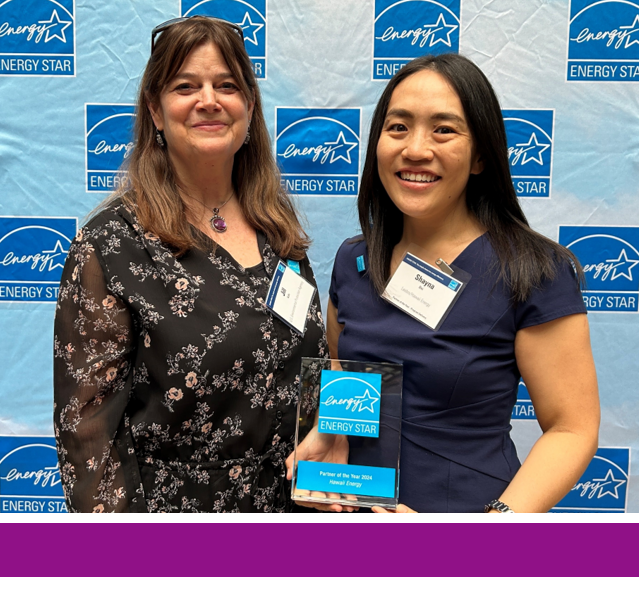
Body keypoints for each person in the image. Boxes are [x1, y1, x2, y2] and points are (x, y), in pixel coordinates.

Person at [294, 53, 599, 514]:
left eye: (443, 129)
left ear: (480, 156)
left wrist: (481, 536)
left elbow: (572, 429)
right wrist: (331, 432)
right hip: (352, 523)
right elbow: (347, 373)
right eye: (398, 127)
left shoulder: (534, 271)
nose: (416, 149)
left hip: (466, 544)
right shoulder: (353, 259)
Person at [53, 16, 326, 513]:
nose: (209, 100)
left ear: (248, 108)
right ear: (156, 111)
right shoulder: (112, 243)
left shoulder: (278, 230)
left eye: (227, 85)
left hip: (295, 519)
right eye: (186, 86)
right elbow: (87, 433)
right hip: (176, 536)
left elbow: (309, 369)